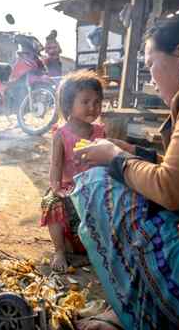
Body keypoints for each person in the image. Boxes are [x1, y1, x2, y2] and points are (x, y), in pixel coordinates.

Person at [73, 13, 179, 329]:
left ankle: (143, 310)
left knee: (97, 183)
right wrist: (136, 152)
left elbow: (172, 188)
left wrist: (114, 157)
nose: (151, 78)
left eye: (151, 64)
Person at [41, 70, 105, 272]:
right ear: (69, 104)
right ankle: (60, 250)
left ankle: (100, 249)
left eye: (97, 102)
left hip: (94, 187)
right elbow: (56, 165)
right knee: (51, 203)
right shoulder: (61, 134)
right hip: (70, 188)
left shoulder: (100, 131)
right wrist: (56, 187)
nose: (92, 107)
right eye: (85, 102)